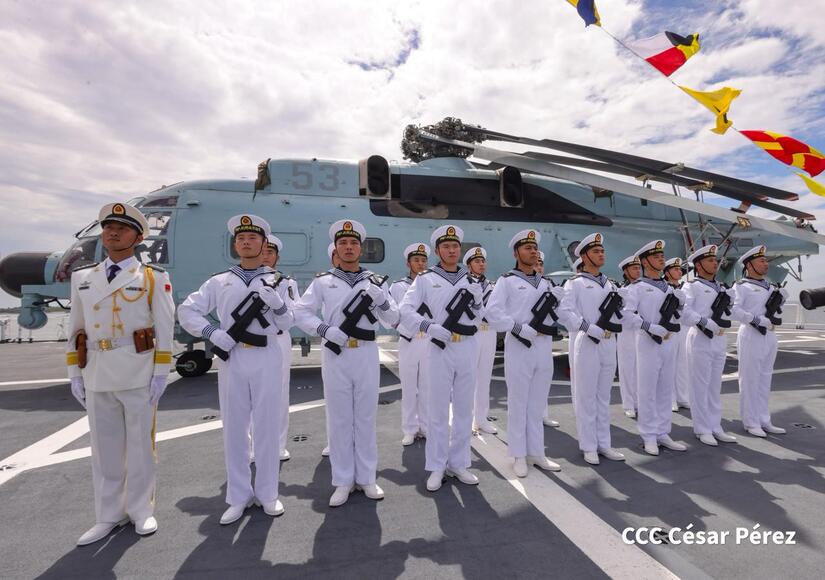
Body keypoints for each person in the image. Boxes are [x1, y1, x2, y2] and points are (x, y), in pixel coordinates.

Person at [67, 202, 175, 545]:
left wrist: (161, 372)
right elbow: (76, 328)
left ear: (138, 238)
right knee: (104, 449)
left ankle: (141, 510)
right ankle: (108, 515)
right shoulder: (83, 278)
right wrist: (74, 372)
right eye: (109, 228)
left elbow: (165, 327)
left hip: (137, 370)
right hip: (96, 371)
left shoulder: (152, 278)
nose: (113, 233)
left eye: (122, 229)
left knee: (141, 446)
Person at [179, 215, 293, 524]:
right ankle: (238, 496)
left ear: (264, 244)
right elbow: (187, 310)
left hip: (267, 355)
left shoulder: (278, 281)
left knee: (267, 426)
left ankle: (268, 493)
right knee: (234, 427)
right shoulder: (219, 281)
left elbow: (287, 323)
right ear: (235, 244)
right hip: (232, 357)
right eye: (241, 238)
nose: (246, 242)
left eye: (252, 238)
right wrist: (212, 333)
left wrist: (278, 305)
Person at [294, 219, 399, 507]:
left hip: (365, 352)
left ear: (361, 249)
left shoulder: (375, 282)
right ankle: (342, 480)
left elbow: (394, 319)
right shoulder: (323, 281)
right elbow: (300, 313)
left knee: (365, 417)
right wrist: (325, 330)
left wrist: (383, 301)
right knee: (339, 418)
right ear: (336, 249)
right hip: (336, 354)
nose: (349, 247)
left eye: (354, 243)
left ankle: (367, 477)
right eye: (343, 243)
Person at [399, 225, 485, 492]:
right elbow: (405, 310)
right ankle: (436, 466)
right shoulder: (425, 279)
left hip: (467, 346)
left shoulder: (471, 280)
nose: (451, 250)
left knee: (464, 410)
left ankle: (459, 463)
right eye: (446, 246)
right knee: (437, 411)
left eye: (455, 246)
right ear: (437, 251)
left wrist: (477, 304)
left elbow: (479, 317)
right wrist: (428, 326)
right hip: (439, 348)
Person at [485, 230, 563, 476]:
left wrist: (560, 301)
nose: (533, 252)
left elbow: (558, 315)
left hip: (543, 345)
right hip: (520, 345)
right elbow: (493, 312)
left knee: (538, 403)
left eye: (535, 248)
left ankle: (537, 452)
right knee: (518, 402)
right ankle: (518, 454)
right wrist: (518, 327)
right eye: (527, 248)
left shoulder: (546, 283)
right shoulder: (507, 281)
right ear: (516, 253)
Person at [557, 233, 625, 465]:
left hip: (608, 342)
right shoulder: (575, 283)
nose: (601, 254)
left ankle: (604, 443)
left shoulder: (610, 284)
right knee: (586, 396)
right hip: (587, 341)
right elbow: (564, 311)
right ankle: (588, 445)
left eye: (602, 251)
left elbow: (620, 314)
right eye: (596, 252)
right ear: (585, 257)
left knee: (604, 396)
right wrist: (586, 327)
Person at [621, 240, 688, 456]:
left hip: (669, 342)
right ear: (645, 261)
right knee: (647, 390)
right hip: (648, 342)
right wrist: (649, 327)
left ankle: (663, 432)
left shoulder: (670, 288)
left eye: (662, 256)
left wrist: (682, 305)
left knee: (665, 389)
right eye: (656, 256)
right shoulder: (637, 288)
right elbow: (626, 315)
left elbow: (681, 316)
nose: (661, 259)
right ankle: (649, 435)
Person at [682, 245, 738, 446]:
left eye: (715, 260)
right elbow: (684, 312)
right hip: (700, 337)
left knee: (715, 386)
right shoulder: (691, 286)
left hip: (719, 339)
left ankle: (715, 426)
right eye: (710, 260)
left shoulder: (721, 287)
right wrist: (703, 321)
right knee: (700, 385)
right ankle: (702, 428)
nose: (715, 263)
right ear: (698, 265)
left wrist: (731, 303)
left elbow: (731, 312)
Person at [731, 245, 789, 437]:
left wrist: (781, 301)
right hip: (751, 334)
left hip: (770, 335)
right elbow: (734, 310)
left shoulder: (770, 287)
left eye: (766, 260)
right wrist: (755, 319)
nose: (766, 264)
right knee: (750, 379)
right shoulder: (741, 286)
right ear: (749, 265)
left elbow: (775, 310)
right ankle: (751, 422)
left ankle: (764, 419)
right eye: (761, 261)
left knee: (765, 378)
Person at [261, 237, 299, 461]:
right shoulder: (239, 279)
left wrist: (279, 305)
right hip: (247, 343)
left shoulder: (285, 283)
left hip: (278, 339)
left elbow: (293, 315)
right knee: (247, 398)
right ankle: (252, 447)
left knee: (280, 393)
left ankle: (278, 445)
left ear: (277, 257)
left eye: (270, 252)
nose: (266, 256)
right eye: (263, 251)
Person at [389, 243, 431, 445]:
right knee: (408, 388)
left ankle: (425, 426)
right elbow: (391, 313)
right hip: (409, 341)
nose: (420, 264)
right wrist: (399, 326)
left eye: (423, 260)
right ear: (408, 263)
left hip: (429, 341)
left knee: (427, 388)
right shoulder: (398, 286)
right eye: (416, 260)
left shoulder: (432, 284)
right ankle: (409, 429)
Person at [465, 246, 498, 435]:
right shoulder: (465, 284)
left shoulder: (493, 286)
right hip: (473, 333)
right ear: (469, 265)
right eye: (477, 261)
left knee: (484, 378)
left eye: (483, 261)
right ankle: (466, 418)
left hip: (489, 333)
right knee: (467, 378)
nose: (481, 264)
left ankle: (481, 419)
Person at [664, 257, 691, 411]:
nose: (679, 271)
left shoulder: (684, 287)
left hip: (683, 328)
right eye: (675, 269)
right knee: (670, 364)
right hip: (669, 329)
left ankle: (682, 397)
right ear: (667, 273)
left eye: (680, 269)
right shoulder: (665, 288)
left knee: (682, 364)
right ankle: (671, 398)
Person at [616, 255, 641, 418]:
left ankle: (638, 401)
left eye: (639, 268)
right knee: (627, 368)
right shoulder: (623, 290)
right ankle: (628, 403)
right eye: (634, 268)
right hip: (626, 332)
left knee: (640, 368)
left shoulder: (643, 287)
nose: (638, 271)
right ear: (626, 271)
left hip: (641, 332)